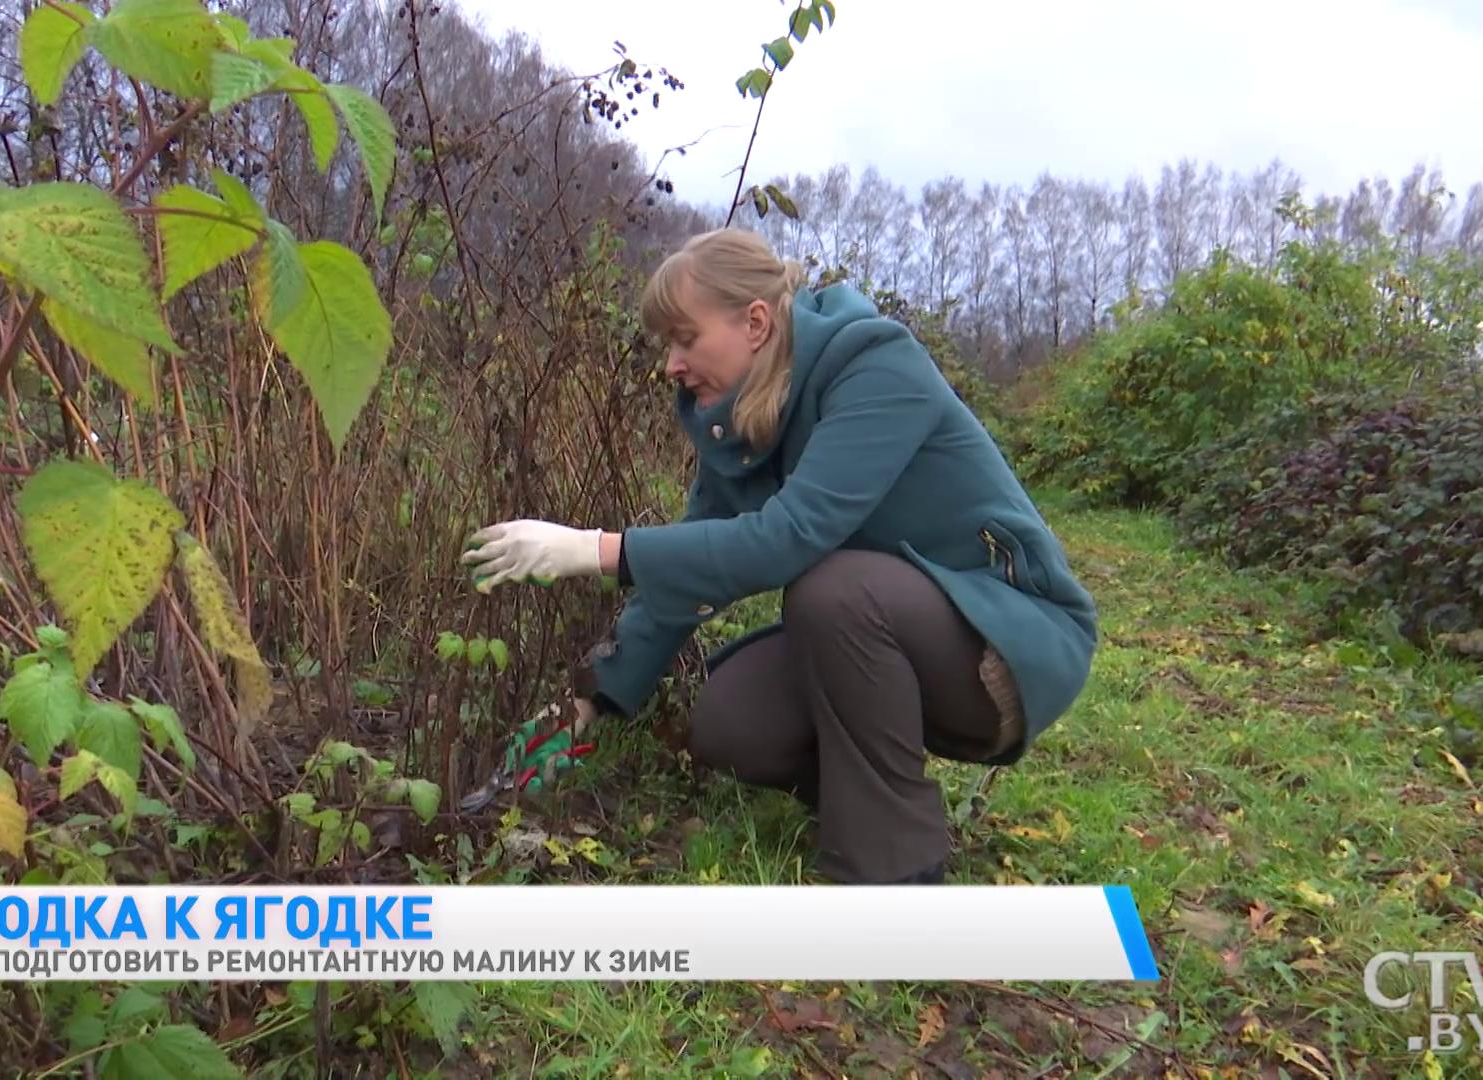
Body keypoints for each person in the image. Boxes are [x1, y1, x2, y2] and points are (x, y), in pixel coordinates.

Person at [459, 227, 1099, 885]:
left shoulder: (877, 365)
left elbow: (790, 536)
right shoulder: (740, 424)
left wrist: (588, 549)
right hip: (891, 632)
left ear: (756, 323)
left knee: (831, 589)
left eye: (686, 339)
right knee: (730, 722)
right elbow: (690, 574)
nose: (671, 364)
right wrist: (588, 700)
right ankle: (870, 795)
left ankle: (893, 876)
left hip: (1006, 647)